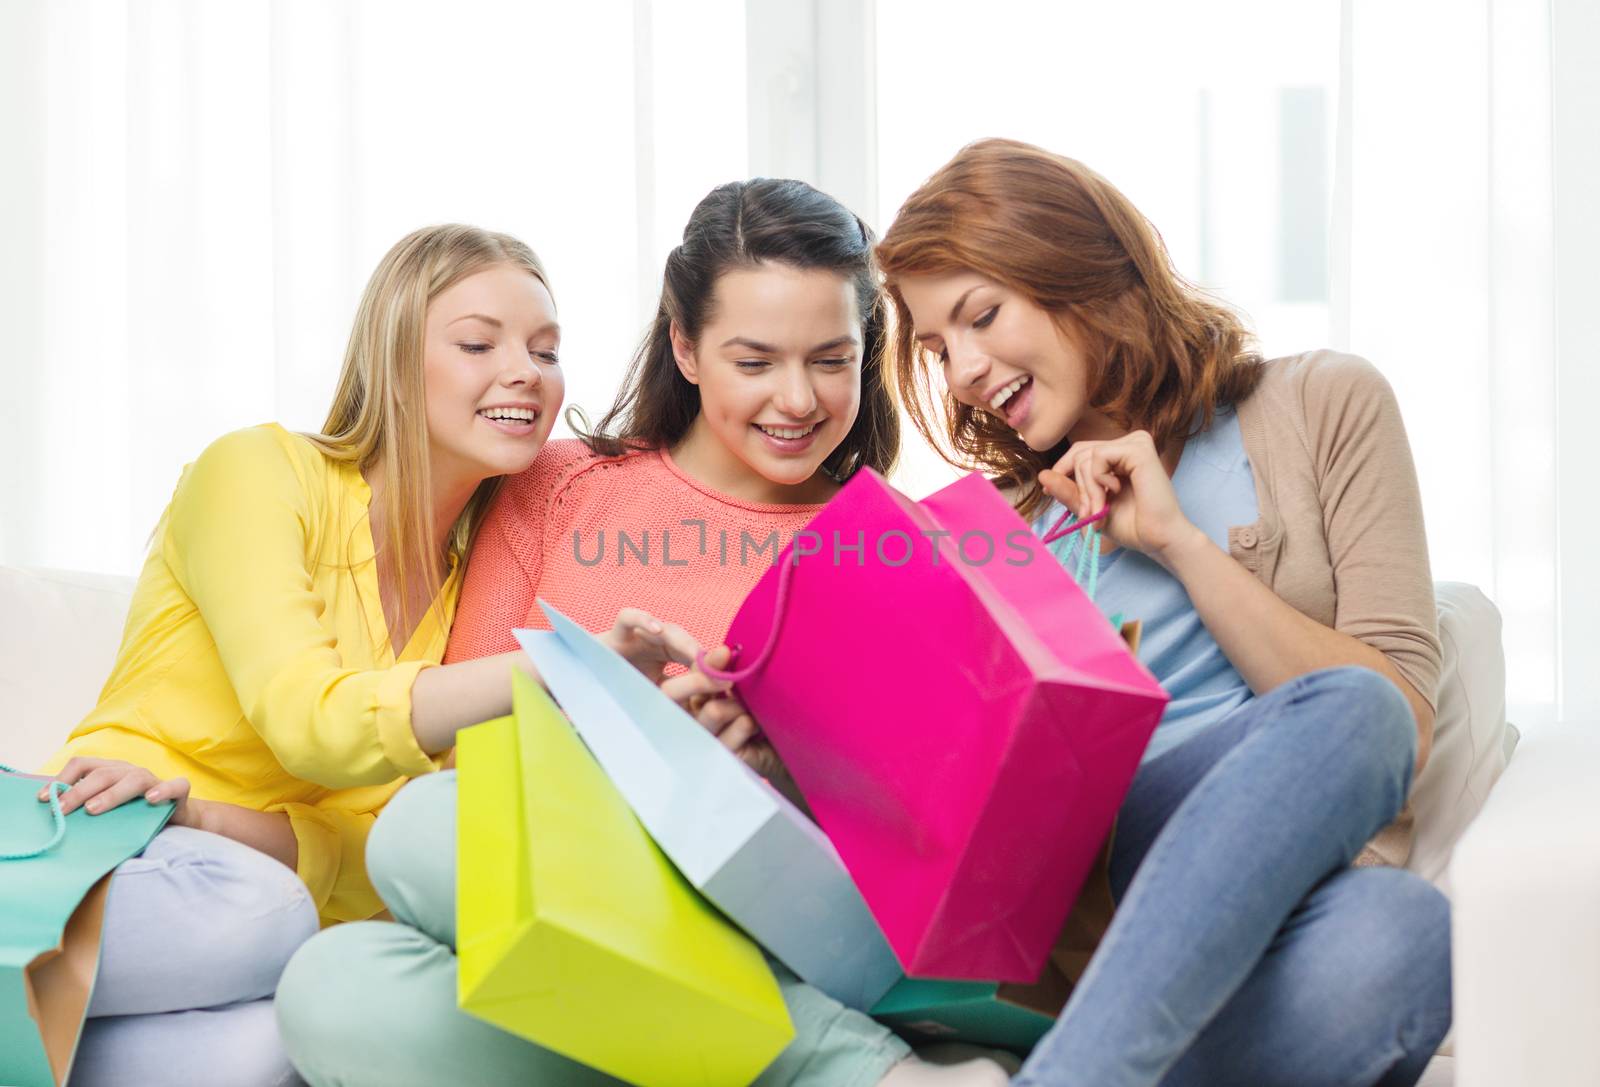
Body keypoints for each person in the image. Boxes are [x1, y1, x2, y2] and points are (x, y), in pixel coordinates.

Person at [275, 179, 1011, 1087]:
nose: (797, 399)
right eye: (755, 361)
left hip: (766, 917)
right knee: (332, 979)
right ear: (686, 347)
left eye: (831, 360)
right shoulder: (560, 484)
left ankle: (857, 1069)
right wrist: (623, 720)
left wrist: (780, 763)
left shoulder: (900, 544)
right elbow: (468, 765)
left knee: (423, 832)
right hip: (576, 891)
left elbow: (933, 839)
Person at [36, 225, 692, 1086]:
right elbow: (313, 720)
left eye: (546, 348)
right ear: (393, 359)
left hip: (220, 872)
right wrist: (560, 665)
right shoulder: (258, 471)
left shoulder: (467, 594)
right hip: (97, 841)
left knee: (285, 1046)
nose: (526, 371)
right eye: (477, 342)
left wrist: (202, 820)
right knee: (272, 915)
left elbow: (368, 855)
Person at [865, 138, 1452, 1087]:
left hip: (1299, 871)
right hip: (1101, 877)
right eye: (938, 348)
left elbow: (1401, 727)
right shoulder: (1002, 528)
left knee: (1404, 933)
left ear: (1080, 270)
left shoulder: (1321, 404)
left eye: (981, 316)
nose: (964, 369)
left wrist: (1178, 541)